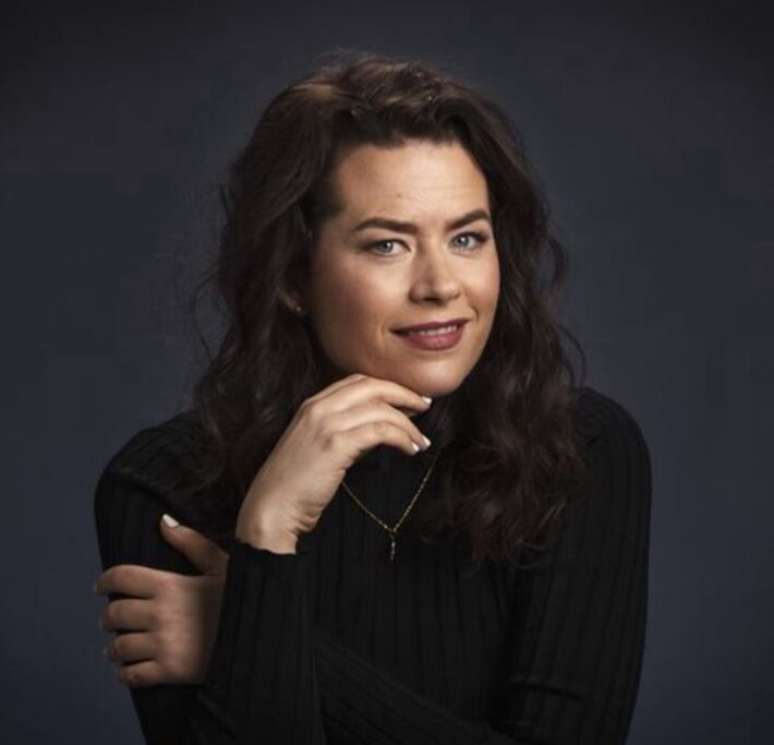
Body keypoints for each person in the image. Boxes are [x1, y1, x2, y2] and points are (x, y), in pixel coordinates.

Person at [93, 50, 652, 745]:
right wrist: (268, 527)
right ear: (293, 276)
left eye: (467, 237)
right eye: (388, 245)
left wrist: (241, 632)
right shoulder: (161, 486)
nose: (441, 285)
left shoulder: (581, 450)